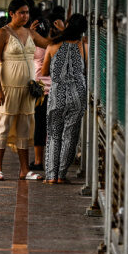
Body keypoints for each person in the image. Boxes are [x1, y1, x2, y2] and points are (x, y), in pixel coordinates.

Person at [0, 0, 54, 181]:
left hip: (27, 88)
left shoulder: (30, 33)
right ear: (11, 13)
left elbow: (48, 44)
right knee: (3, 124)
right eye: (21, 12)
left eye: (27, 12)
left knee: (25, 126)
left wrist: (64, 33)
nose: (25, 16)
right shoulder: (2, 33)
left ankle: (25, 170)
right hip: (7, 87)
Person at [41, 13, 88, 184]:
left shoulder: (53, 46)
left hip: (57, 95)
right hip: (78, 95)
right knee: (70, 135)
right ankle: (61, 174)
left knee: (54, 134)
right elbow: (86, 70)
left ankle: (51, 175)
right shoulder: (84, 46)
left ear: (67, 25)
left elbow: (44, 72)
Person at [30, 18, 52, 172]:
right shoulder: (54, 45)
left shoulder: (34, 47)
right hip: (55, 90)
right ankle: (52, 159)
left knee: (39, 126)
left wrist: (30, 32)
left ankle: (38, 161)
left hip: (39, 91)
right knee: (52, 127)